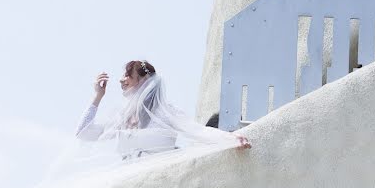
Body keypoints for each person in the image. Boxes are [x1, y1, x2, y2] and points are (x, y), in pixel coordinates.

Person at [76, 60, 250, 158]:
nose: (121, 80)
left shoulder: (164, 112)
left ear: (143, 80)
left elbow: (196, 130)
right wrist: (98, 96)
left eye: (128, 75)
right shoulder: (121, 118)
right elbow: (83, 133)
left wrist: (230, 138)